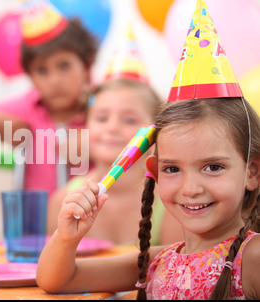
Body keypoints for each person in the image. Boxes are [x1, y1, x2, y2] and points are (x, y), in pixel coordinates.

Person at [36, 97, 260, 299]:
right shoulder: (154, 262)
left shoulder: (253, 258)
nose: (191, 189)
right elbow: (59, 280)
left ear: (252, 172)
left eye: (213, 167)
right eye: (172, 169)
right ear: (155, 172)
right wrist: (66, 238)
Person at [0, 14, 98, 195]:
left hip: (97, 220)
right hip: (38, 221)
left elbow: (136, 135)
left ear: (87, 65)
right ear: (29, 75)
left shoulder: (104, 106)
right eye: (41, 70)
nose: (54, 80)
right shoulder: (25, 109)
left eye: (64, 66)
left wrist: (95, 141)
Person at [47, 78, 183, 245]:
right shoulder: (63, 201)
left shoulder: (172, 202)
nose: (112, 127)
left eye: (129, 120)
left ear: (156, 132)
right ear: (86, 126)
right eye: (102, 118)